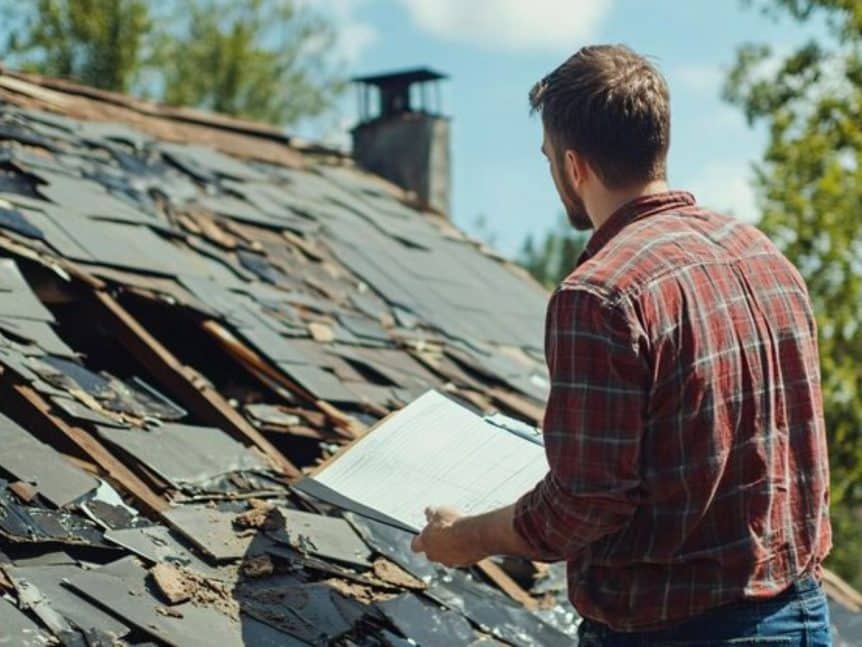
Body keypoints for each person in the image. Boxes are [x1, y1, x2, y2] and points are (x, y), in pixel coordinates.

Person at [410, 44, 833, 646]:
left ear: (574, 166)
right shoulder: (766, 257)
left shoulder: (600, 295)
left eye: (549, 158)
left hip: (678, 634)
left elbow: (585, 505)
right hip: (800, 616)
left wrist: (469, 536)